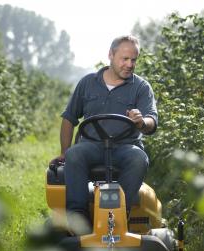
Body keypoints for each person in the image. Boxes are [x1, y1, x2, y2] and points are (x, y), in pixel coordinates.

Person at [54, 35, 158, 225]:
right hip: (91, 146)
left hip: (126, 147)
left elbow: (152, 120)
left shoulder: (141, 87)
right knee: (74, 154)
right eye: (124, 59)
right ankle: (78, 218)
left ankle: (118, 217)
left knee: (139, 158)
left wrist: (142, 122)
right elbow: (69, 118)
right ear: (110, 55)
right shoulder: (88, 83)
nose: (129, 64)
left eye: (133, 60)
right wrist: (64, 151)